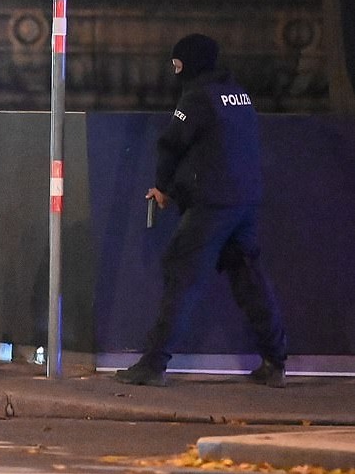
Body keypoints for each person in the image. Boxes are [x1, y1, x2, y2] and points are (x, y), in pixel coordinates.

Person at [113, 33, 288, 388]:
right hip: (245, 201)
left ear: (189, 63)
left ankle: (153, 363)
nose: (174, 69)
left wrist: (163, 188)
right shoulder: (238, 95)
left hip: (211, 205)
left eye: (177, 63)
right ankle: (275, 361)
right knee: (250, 280)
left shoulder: (196, 98)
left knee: (181, 275)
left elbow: (172, 144)